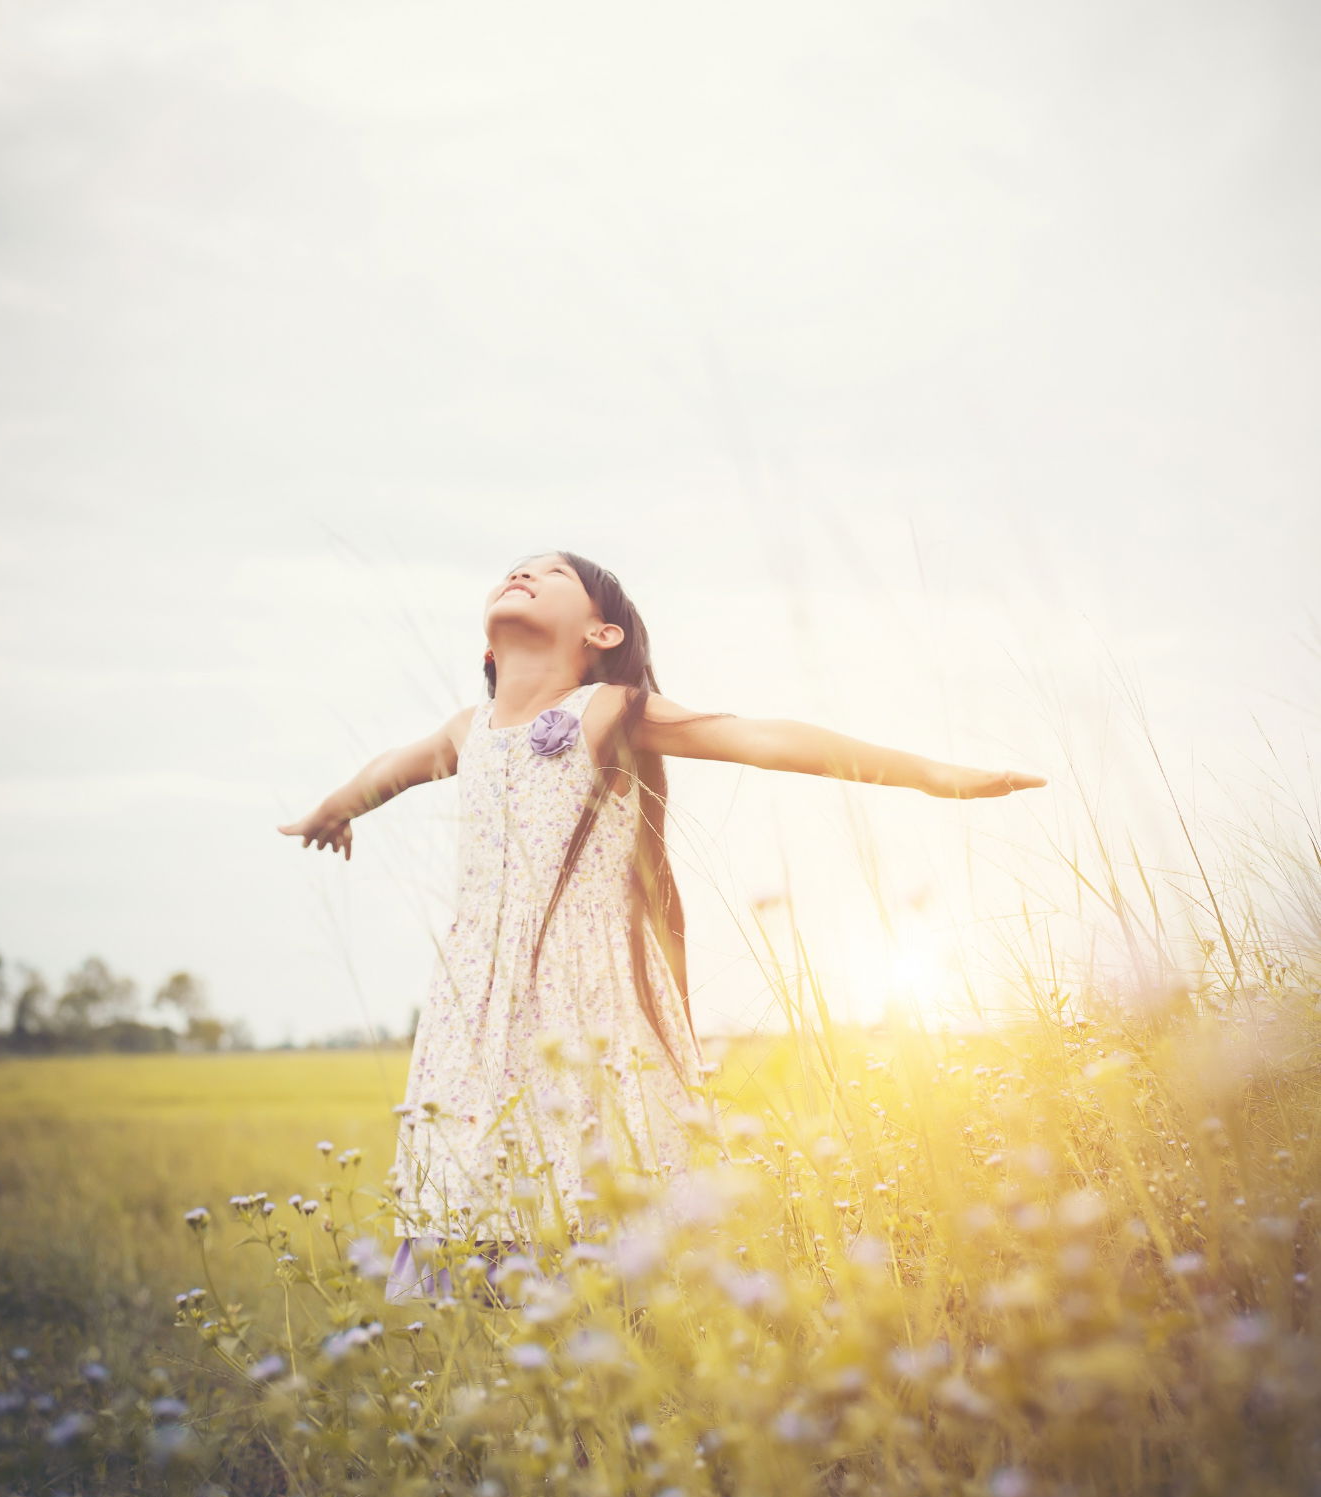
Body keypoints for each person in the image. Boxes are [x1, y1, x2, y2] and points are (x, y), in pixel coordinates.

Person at [277, 549, 1047, 1305]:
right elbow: (387, 770)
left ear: (602, 636)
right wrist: (331, 811)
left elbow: (763, 737)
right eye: (514, 568)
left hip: (585, 986)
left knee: (597, 1171)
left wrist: (935, 777)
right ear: (488, 645)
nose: (522, 573)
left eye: (552, 574)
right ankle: (520, 1352)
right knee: (483, 1173)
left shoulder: (606, 707)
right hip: (477, 999)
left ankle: (624, 1340)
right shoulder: (462, 730)